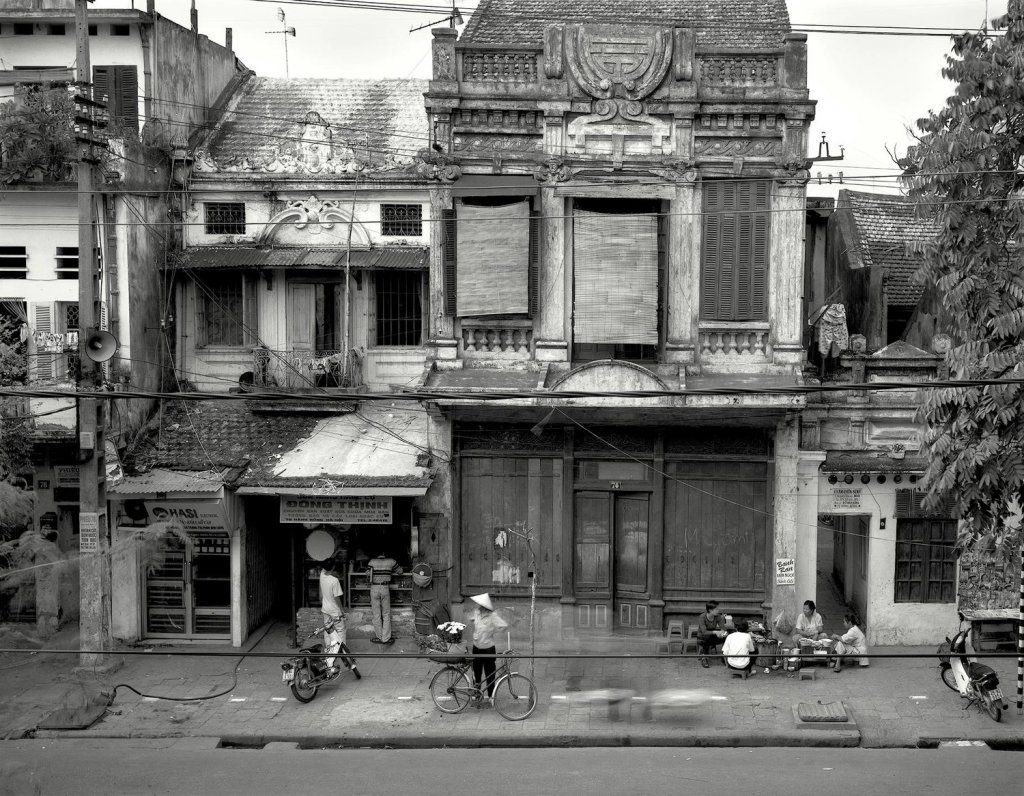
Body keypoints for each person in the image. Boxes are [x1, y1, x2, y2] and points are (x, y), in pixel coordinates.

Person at [469, 593, 508, 704]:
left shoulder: (492, 616)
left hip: (488, 649)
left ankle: (491, 696)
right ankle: (476, 694)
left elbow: (503, 625)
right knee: (476, 672)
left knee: (490, 673)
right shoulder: (476, 613)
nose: (478, 606)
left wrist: (493, 631)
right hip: (476, 648)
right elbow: (472, 619)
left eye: (480, 604)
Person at [367, 550, 402, 645]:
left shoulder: (371, 562)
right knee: (386, 614)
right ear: (384, 554)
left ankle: (379, 637)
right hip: (385, 587)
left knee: (376, 614)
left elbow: (367, 574)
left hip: (374, 588)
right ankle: (386, 638)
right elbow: (400, 571)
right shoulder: (391, 561)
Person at [318, 557, 345, 673]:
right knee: (340, 630)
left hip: (325, 609)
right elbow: (336, 597)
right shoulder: (334, 580)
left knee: (327, 630)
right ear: (333, 568)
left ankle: (329, 649)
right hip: (334, 610)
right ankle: (342, 652)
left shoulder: (322, 576)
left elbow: (324, 570)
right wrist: (342, 610)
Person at [696, 600, 728, 668]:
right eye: (716, 609)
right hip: (702, 636)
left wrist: (723, 633)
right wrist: (716, 632)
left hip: (712, 635)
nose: (718, 610)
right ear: (710, 610)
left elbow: (723, 628)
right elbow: (704, 631)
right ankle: (704, 658)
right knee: (706, 638)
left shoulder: (718, 616)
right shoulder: (702, 617)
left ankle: (724, 657)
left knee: (726, 638)